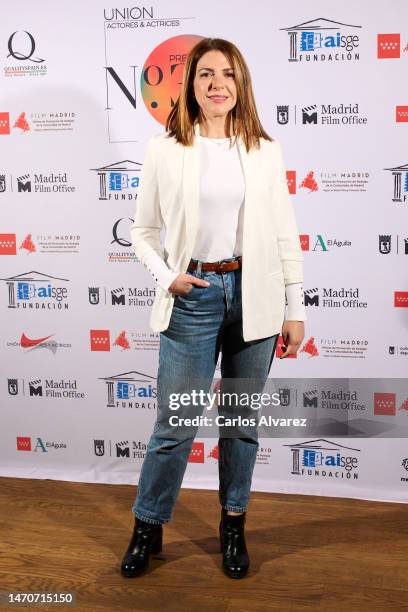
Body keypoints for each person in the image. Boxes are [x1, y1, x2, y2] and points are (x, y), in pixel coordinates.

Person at [121, 37, 305, 580]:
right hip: (193, 295)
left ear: (240, 83)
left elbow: (285, 232)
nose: (216, 83)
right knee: (175, 423)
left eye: (226, 73)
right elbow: (142, 232)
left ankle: (233, 525)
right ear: (191, 85)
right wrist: (167, 277)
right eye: (205, 74)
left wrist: (295, 306)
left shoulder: (265, 149)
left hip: (256, 295)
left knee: (241, 423)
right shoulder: (165, 149)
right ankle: (147, 527)